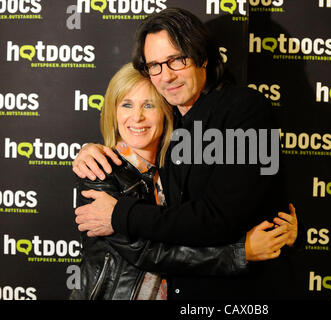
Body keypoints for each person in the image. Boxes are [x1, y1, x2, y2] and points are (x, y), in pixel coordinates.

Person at [74, 7, 301, 299]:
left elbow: (222, 217)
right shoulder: (173, 123)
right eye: (154, 65)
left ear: (202, 57)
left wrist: (120, 213)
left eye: (176, 60)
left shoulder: (244, 108)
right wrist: (90, 150)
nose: (166, 76)